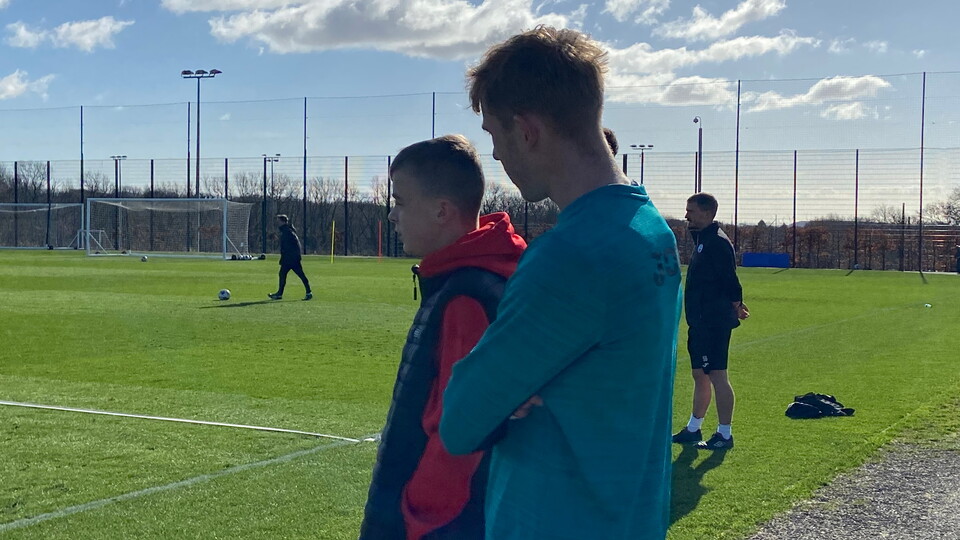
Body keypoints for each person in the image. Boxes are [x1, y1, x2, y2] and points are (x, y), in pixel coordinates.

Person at [439, 26, 682, 539]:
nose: (497, 155)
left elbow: (460, 420)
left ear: (527, 129)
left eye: (494, 135)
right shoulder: (648, 225)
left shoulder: (572, 253)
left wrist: (489, 381)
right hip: (628, 517)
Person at [359, 135, 527, 540]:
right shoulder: (463, 279)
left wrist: (419, 518)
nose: (391, 216)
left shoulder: (468, 295)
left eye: (399, 202)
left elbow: (460, 435)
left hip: (429, 523)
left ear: (441, 210)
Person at [672, 193, 749, 450]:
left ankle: (724, 434)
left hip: (713, 321)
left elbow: (729, 279)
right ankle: (694, 428)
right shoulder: (703, 239)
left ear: (707, 213)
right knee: (699, 374)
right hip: (700, 321)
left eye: (690, 211)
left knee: (717, 374)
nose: (686, 216)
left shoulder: (716, 242)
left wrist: (736, 305)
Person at [268, 214, 312, 300]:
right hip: (291, 258)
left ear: (283, 221)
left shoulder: (287, 231)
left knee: (299, 274)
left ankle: (308, 292)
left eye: (278, 221)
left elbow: (291, 245)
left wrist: (289, 256)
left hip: (291, 259)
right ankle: (280, 293)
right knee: (283, 274)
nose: (277, 222)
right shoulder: (287, 231)